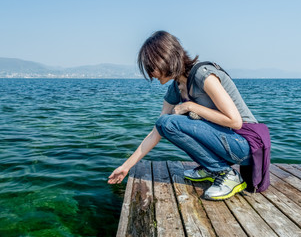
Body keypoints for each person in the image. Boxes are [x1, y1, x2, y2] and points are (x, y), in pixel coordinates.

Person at [108, 30, 264, 200]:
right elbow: (156, 131)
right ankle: (211, 167)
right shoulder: (176, 86)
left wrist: (190, 106)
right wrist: (126, 166)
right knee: (165, 123)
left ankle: (226, 173)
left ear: (165, 59)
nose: (150, 74)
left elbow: (235, 121)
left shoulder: (203, 75)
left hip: (244, 143)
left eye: (151, 67)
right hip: (226, 142)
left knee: (171, 122)